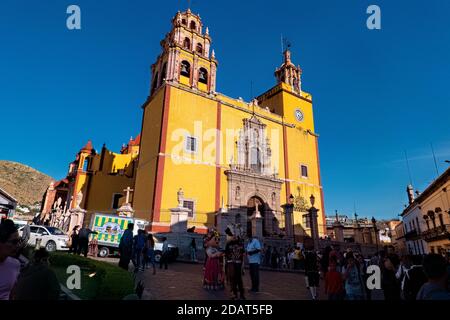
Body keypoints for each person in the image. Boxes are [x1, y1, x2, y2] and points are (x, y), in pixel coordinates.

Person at [0, 220, 21, 300]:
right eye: (14, 242)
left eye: (19, 241)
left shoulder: (15, 264)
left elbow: (12, 294)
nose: (17, 246)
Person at [225, 229, 245, 300]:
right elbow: (226, 254)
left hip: (238, 263)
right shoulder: (228, 244)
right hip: (231, 264)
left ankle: (242, 294)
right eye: (233, 235)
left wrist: (243, 266)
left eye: (235, 235)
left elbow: (243, 254)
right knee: (232, 279)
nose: (234, 236)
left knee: (239, 279)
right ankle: (234, 294)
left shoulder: (241, 244)